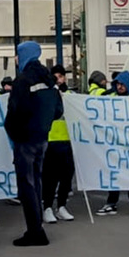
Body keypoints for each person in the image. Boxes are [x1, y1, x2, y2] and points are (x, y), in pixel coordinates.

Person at [4, 41, 63, 247]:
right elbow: (58, 110)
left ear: (24, 55)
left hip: (25, 139)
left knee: (27, 185)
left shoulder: (23, 80)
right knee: (37, 181)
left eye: (17, 55)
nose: (16, 59)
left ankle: (35, 231)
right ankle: (38, 228)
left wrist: (14, 132)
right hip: (42, 138)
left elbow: (15, 111)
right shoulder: (49, 79)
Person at [95, 71, 129, 217]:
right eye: (117, 84)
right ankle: (111, 203)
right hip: (115, 142)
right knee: (114, 172)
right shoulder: (111, 97)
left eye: (122, 84)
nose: (119, 86)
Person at [42, 65, 76, 224]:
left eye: (61, 76)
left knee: (67, 176)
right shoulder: (47, 95)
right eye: (56, 77)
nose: (59, 80)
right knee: (50, 178)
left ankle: (61, 206)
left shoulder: (70, 95)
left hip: (67, 142)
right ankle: (47, 207)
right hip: (50, 142)